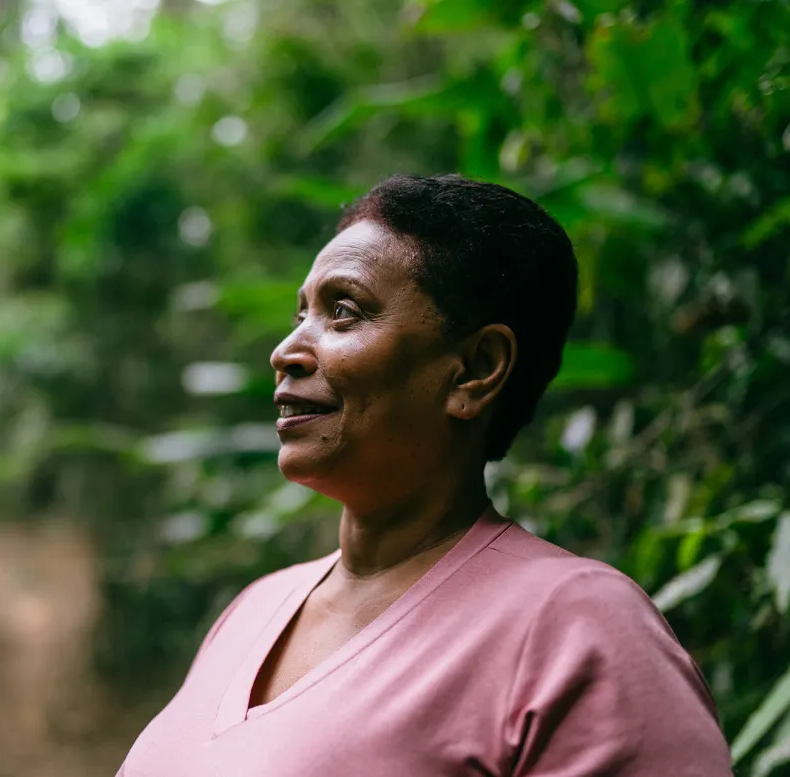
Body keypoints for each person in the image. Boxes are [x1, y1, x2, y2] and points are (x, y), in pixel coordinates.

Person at [117, 174, 733, 776]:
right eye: (301, 314)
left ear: (475, 370)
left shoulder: (575, 626)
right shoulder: (254, 608)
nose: (287, 350)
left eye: (344, 313)